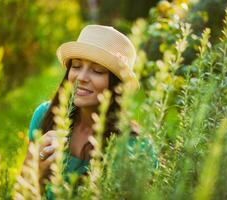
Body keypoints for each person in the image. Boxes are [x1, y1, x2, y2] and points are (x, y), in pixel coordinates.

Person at [22, 25, 158, 198]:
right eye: (77, 66)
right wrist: (37, 169)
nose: (81, 77)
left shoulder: (136, 148)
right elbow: (22, 191)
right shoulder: (45, 115)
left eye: (97, 71)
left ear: (117, 85)